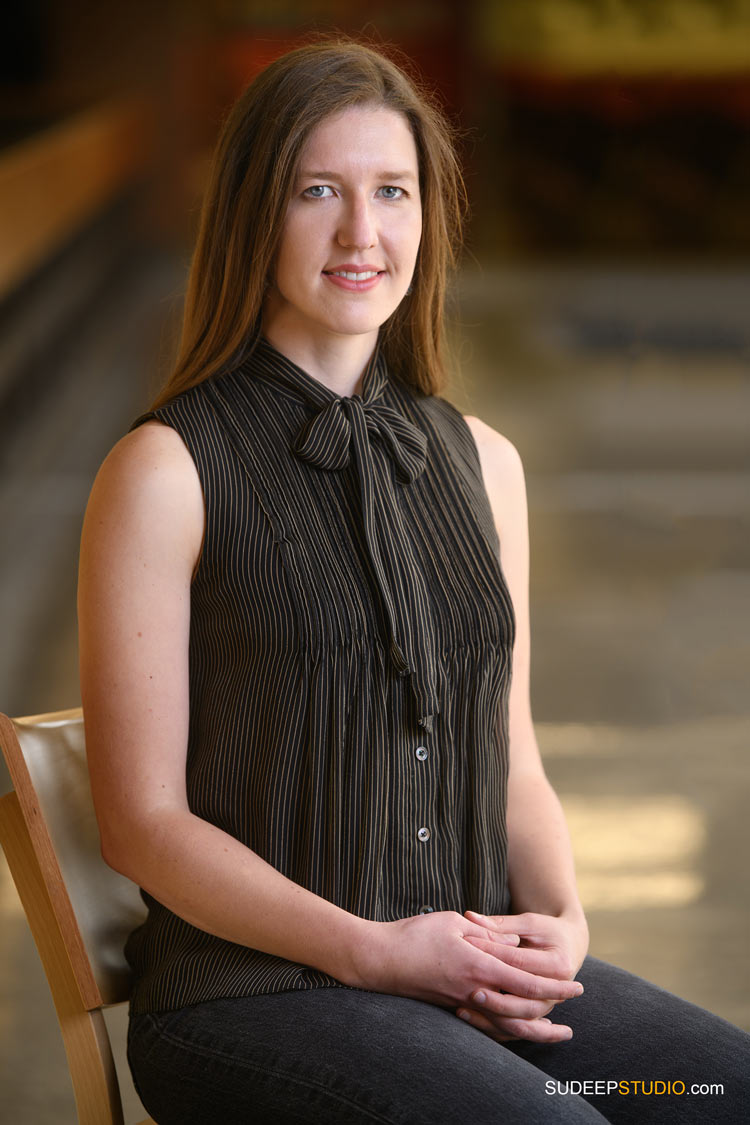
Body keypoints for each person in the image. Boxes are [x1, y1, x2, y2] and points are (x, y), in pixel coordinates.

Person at [77, 37, 749, 1125]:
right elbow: (142, 825)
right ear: (257, 213)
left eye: (392, 191)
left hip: (464, 982)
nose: (362, 232)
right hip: (256, 1003)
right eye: (318, 192)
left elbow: (512, 759)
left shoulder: (484, 461)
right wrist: (378, 953)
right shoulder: (165, 469)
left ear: (428, 217)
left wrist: (565, 921)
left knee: (714, 1093)